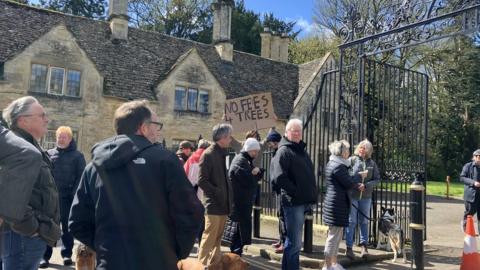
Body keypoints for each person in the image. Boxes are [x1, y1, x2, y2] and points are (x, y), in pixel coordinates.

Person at [68, 100, 204, 270]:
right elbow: (191, 212)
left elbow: (77, 222)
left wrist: (105, 247)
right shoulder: (165, 161)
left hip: (111, 261)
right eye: (156, 124)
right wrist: (174, 251)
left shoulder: (93, 167)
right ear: (143, 127)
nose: (158, 130)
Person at [1, 96, 61, 270]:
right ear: (23, 120)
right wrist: (34, 228)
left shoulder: (30, 146)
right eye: (41, 115)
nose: (47, 119)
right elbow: (6, 195)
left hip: (26, 235)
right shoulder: (15, 150)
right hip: (21, 235)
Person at [270, 119, 318, 270]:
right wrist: (296, 192)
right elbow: (278, 177)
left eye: (299, 130)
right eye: (294, 130)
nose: (297, 133)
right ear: (286, 132)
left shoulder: (301, 150)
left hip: (302, 202)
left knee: (296, 243)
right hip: (293, 203)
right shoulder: (284, 151)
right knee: (294, 243)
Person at [40, 126, 86, 268]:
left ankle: (66, 255)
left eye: (64, 137)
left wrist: (74, 195)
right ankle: (44, 257)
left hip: (67, 199)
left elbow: (81, 176)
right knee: (48, 227)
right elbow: (43, 175)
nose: (60, 139)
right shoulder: (48, 153)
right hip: (50, 199)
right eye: (59, 136)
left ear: (70, 139)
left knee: (66, 228)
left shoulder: (78, 156)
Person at [322, 140, 367, 270]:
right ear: (341, 153)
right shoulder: (338, 166)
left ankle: (334, 263)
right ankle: (327, 265)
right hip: (336, 204)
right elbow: (348, 182)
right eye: (346, 150)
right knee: (333, 237)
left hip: (337, 203)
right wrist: (358, 183)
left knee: (336, 236)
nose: (348, 153)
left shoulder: (336, 164)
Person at [197, 123, 233, 266]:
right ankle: (200, 266)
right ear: (222, 138)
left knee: (217, 240)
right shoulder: (209, 154)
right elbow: (201, 180)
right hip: (213, 205)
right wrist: (217, 193)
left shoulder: (222, 153)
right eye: (229, 136)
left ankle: (213, 266)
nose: (231, 139)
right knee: (209, 238)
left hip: (223, 204)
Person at [226, 138, 264, 256]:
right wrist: (255, 173)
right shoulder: (240, 161)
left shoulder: (245, 160)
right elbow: (247, 180)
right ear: (249, 150)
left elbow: (251, 178)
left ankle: (237, 256)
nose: (256, 154)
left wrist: (257, 172)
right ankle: (235, 258)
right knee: (238, 233)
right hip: (239, 203)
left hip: (242, 202)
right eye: (254, 151)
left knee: (240, 233)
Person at [344, 139, 380, 259]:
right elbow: (345, 175)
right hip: (353, 195)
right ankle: (349, 247)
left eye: (364, 148)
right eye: (360, 147)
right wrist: (356, 183)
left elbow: (377, 179)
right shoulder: (352, 160)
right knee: (351, 221)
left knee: (364, 221)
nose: (362, 150)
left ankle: (364, 246)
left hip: (366, 197)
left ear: (369, 150)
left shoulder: (372, 164)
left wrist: (367, 185)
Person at [184, 139, 211, 244]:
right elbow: (194, 181)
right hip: (199, 195)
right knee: (200, 221)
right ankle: (200, 243)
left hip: (193, 195)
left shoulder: (192, 158)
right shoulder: (200, 158)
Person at [266, 129, 286, 253]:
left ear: (275, 142)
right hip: (278, 189)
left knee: (283, 216)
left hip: (282, 189)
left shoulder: (281, 152)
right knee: (280, 215)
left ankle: (284, 242)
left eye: (270, 142)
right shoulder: (276, 151)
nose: (269, 145)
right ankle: (281, 239)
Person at [460, 149, 480, 233]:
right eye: (477, 156)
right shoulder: (468, 166)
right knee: (469, 212)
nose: (479, 158)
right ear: (474, 157)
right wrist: (473, 182)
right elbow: (462, 178)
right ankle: (466, 228)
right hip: (471, 195)